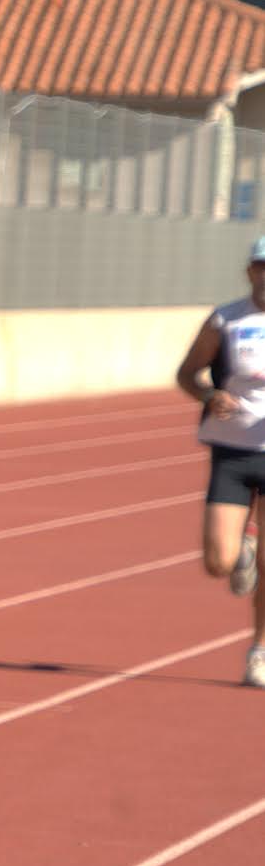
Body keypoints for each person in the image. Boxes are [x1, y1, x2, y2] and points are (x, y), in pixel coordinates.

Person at [172, 233, 265, 686]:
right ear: (250, 271)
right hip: (231, 451)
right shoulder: (226, 321)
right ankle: (241, 549)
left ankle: (259, 652)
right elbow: (186, 373)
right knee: (217, 563)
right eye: (263, 268)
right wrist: (210, 395)